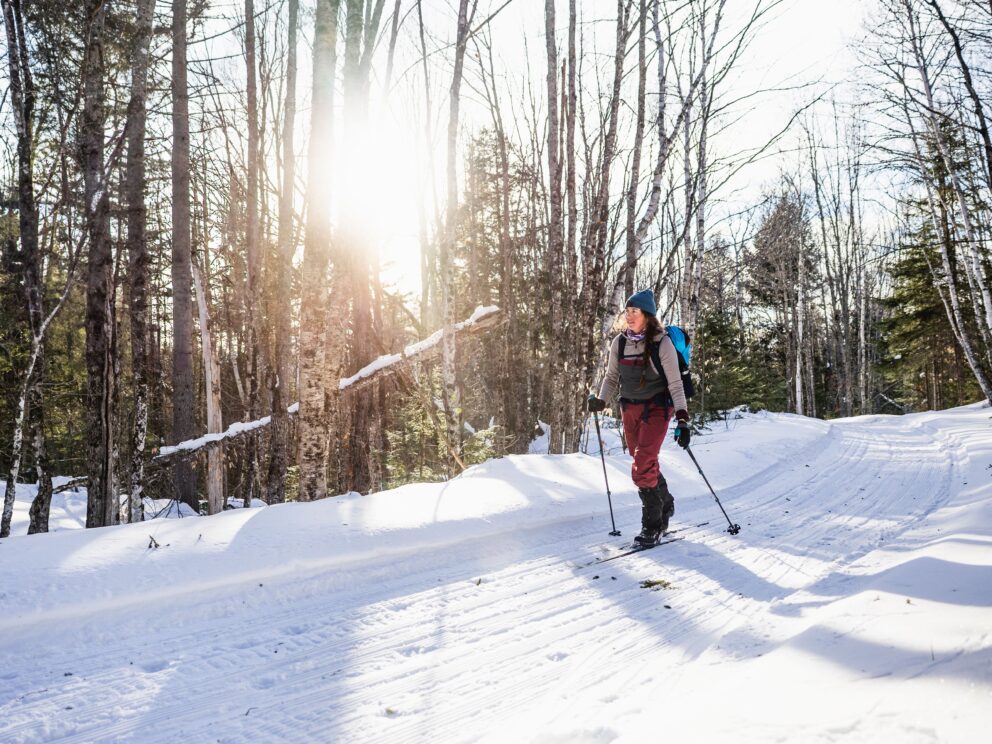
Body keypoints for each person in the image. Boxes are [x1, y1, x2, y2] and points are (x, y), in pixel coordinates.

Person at [588, 289, 690, 545]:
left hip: (657, 408)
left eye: (635, 311)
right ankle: (665, 503)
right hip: (629, 408)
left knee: (643, 461)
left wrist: (682, 419)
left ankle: (652, 525)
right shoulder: (619, 343)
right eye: (628, 311)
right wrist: (601, 400)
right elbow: (611, 377)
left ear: (647, 315)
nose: (630, 315)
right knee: (642, 459)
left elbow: (676, 384)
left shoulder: (661, 343)